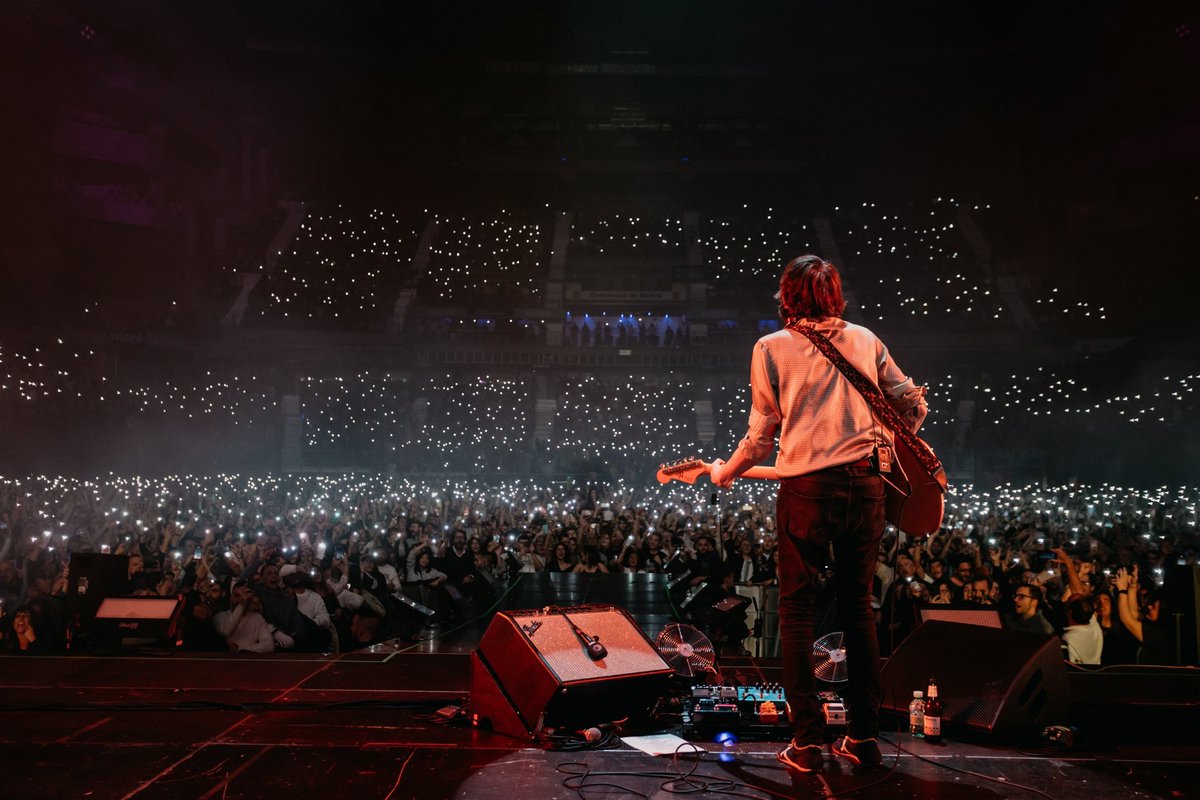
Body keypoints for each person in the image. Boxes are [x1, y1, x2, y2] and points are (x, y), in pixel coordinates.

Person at [709, 255, 928, 773]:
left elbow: (762, 437)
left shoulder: (771, 348)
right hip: (867, 487)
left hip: (807, 489)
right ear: (835, 295)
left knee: (798, 611)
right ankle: (864, 737)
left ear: (788, 296)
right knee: (857, 609)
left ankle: (807, 742)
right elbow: (912, 406)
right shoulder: (866, 339)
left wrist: (725, 472)